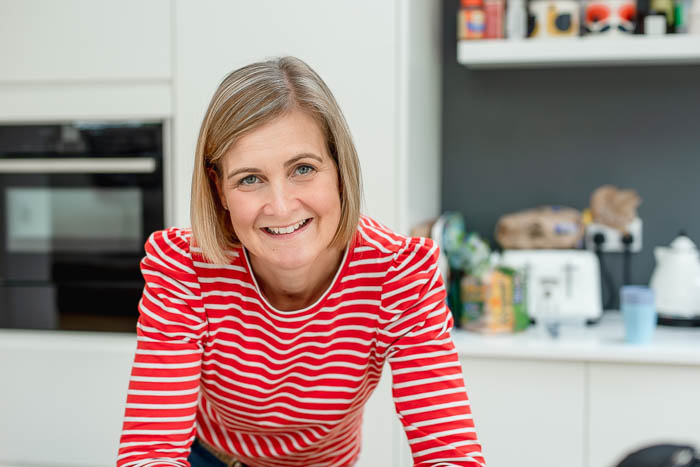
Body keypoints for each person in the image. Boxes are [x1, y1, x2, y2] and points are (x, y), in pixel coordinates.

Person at [117, 56, 485, 467]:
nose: (280, 206)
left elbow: (449, 453)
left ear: (339, 171)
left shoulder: (398, 275)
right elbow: (150, 453)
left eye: (303, 169)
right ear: (218, 188)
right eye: (250, 179)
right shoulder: (184, 272)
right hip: (209, 457)